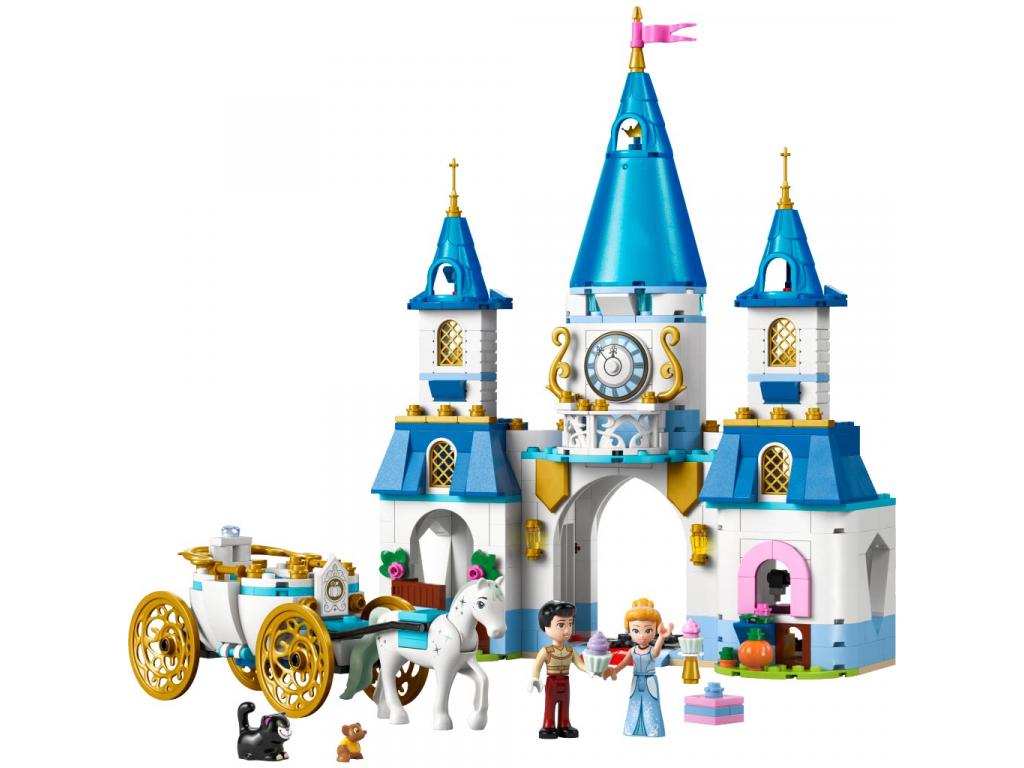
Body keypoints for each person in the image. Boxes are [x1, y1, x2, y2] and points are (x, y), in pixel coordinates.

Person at [603, 598, 673, 737]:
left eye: (648, 630)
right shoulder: (632, 650)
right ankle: (632, 730)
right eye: (636, 630)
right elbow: (623, 663)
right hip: (635, 681)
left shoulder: (651, 650)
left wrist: (662, 637)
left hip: (649, 681)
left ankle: (652, 730)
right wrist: (614, 671)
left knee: (651, 704)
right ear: (629, 630)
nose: (642, 636)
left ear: (655, 630)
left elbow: (656, 652)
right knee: (634, 703)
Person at [530, 600, 587, 738]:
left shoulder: (570, 651)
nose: (567, 630)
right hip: (552, 682)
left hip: (565, 682)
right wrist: (534, 679)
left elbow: (580, 665)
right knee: (550, 704)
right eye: (561, 625)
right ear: (546, 627)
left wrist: (590, 670)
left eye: (570, 624)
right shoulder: (546, 651)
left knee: (565, 703)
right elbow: (536, 667)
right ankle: (548, 725)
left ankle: (564, 724)